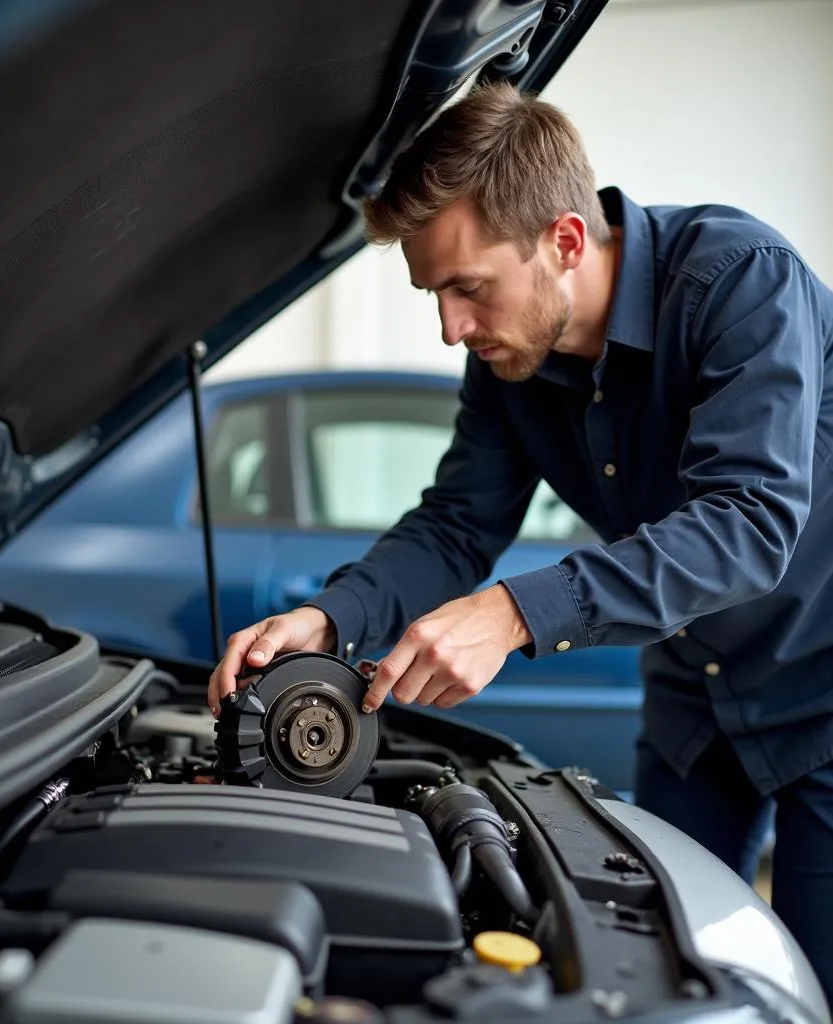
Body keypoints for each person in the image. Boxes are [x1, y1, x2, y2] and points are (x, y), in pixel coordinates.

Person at [206, 81, 833, 992]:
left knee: (811, 983)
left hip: (824, 693)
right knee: (649, 974)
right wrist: (330, 620)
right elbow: (457, 525)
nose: (453, 327)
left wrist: (512, 614)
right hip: (695, 707)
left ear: (564, 241)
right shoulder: (508, 364)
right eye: (434, 294)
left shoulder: (739, 283)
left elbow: (750, 523)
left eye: (469, 288)